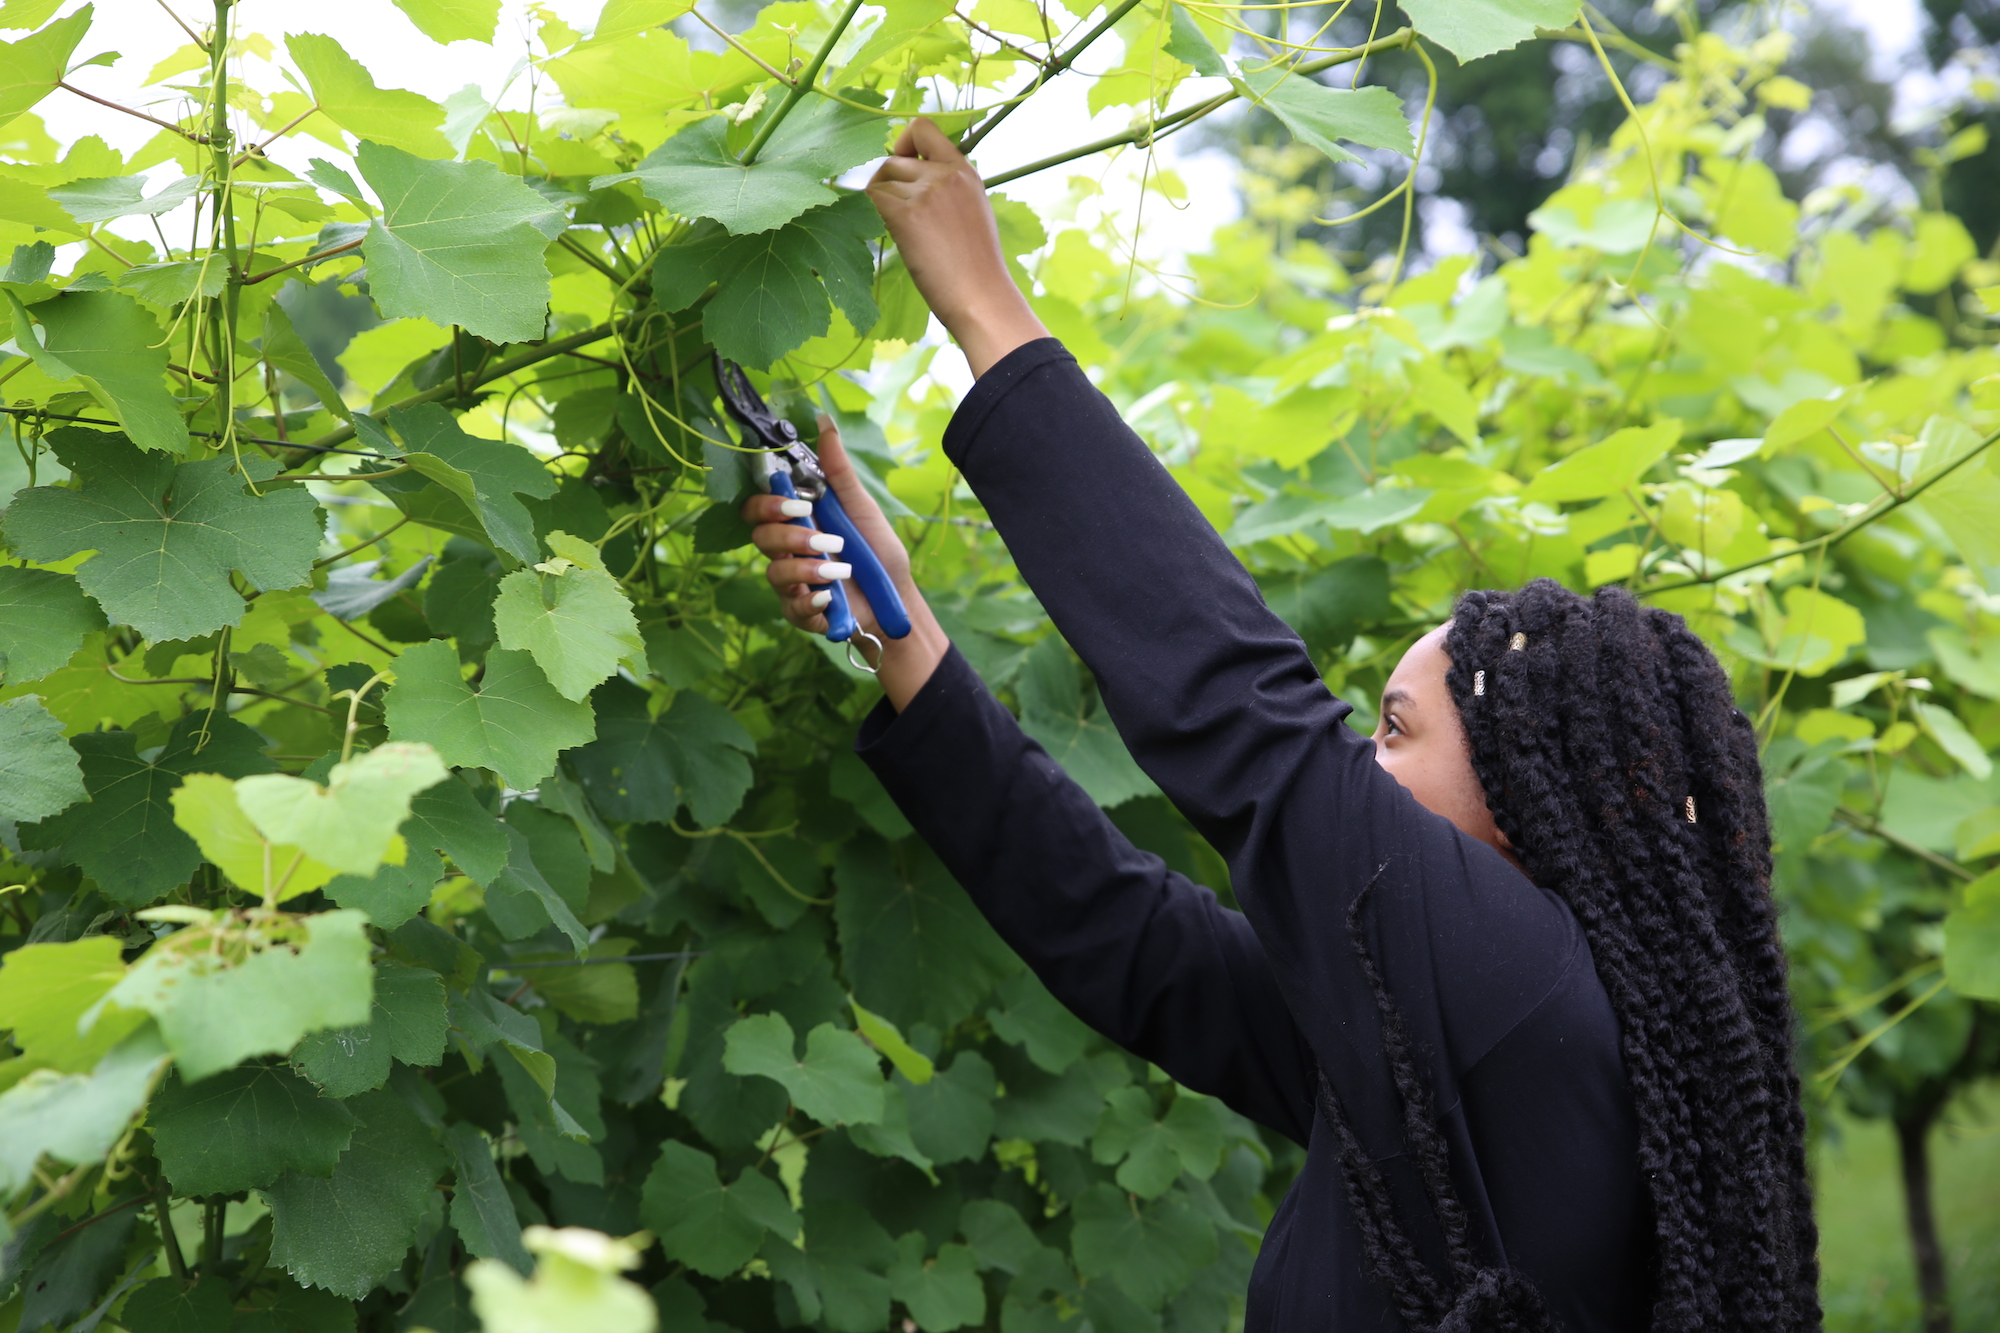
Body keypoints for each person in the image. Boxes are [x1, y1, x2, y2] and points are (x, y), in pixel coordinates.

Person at [741, 119, 1821, 1333]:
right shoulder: (1456, 1046)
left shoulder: (1518, 992)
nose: (1361, 759)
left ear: (1527, 810)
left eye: (1398, 732)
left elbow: (1245, 720)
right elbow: (1135, 944)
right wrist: (898, 623)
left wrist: (985, 305)